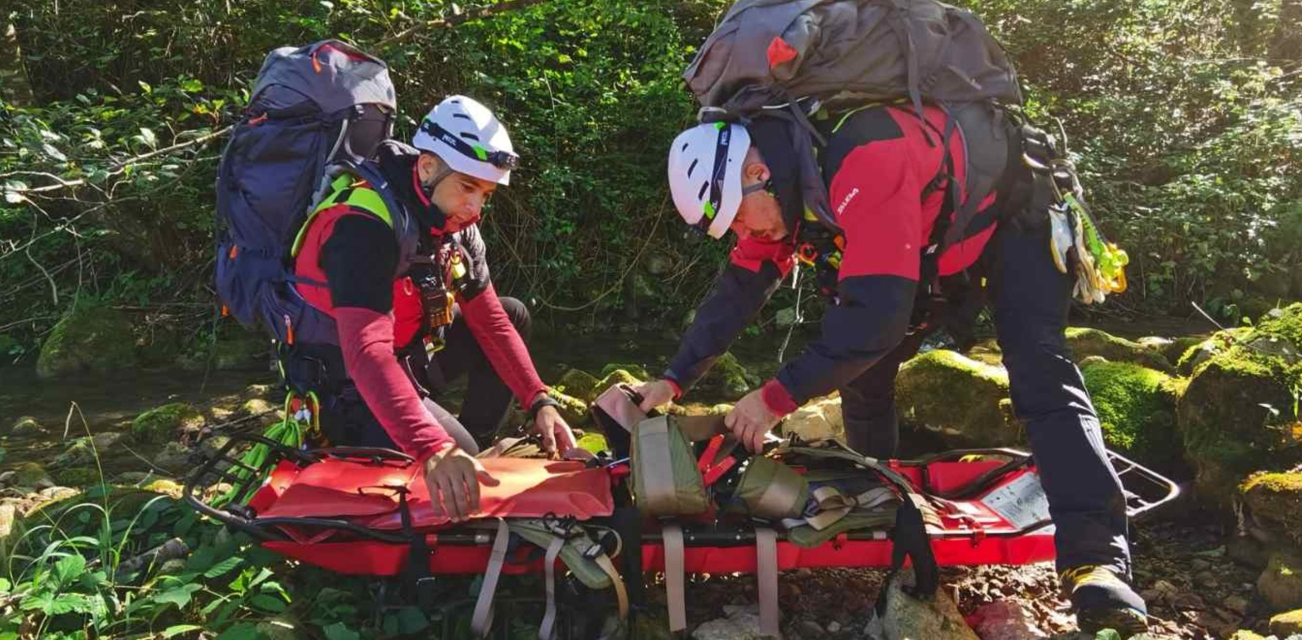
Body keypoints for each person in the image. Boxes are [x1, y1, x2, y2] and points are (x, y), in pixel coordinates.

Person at [634, 107, 1149, 633]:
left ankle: (1098, 561)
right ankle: (876, 502)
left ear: (754, 171)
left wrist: (774, 397)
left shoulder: (865, 155)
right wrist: (675, 378)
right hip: (930, 236)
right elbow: (740, 290)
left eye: (739, 219)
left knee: (1037, 364)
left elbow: (874, 323)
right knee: (861, 376)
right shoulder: (782, 183)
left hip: (1013, 217)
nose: (744, 231)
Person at [287, 95, 579, 523]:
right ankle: (456, 449)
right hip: (347, 385)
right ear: (427, 168)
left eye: (486, 193)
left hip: (407, 360)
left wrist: (539, 401)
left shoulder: (455, 226)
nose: (475, 208)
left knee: (514, 312)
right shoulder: (361, 225)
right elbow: (367, 352)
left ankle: (471, 444)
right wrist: (434, 448)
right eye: (467, 187)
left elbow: (492, 322)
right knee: (459, 464)